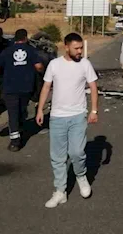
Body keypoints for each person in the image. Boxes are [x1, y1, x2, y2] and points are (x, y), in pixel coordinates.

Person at [36, 33, 99, 208]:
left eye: (81, 48)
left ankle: (81, 176)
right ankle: (60, 191)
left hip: (78, 115)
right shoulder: (54, 65)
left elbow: (93, 87)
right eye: (76, 48)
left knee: (77, 152)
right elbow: (46, 87)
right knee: (57, 157)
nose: (80, 51)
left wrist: (94, 110)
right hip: (57, 117)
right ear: (66, 47)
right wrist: (40, 109)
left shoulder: (85, 64)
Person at [0, 29, 45, 152]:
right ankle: (20, 128)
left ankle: (15, 141)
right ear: (25, 38)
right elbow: (39, 66)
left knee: (12, 112)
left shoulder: (7, 51)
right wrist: (42, 73)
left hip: (10, 88)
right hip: (26, 87)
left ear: (15, 38)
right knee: (21, 109)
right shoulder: (31, 50)